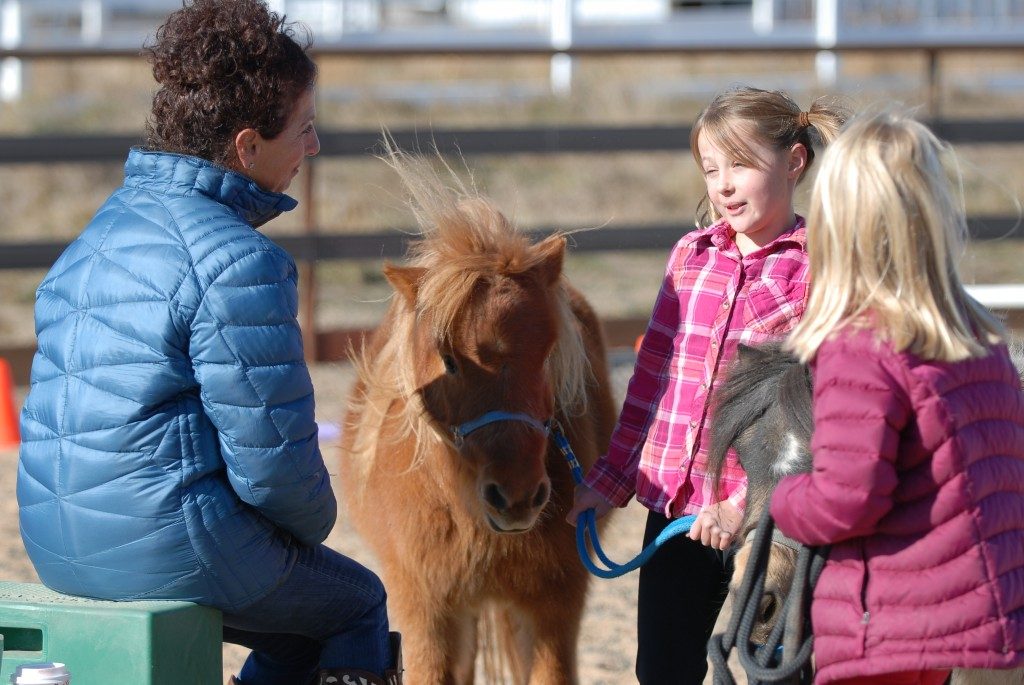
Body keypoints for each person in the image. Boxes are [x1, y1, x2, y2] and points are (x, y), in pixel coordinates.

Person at [16, 2, 400, 684]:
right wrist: (310, 527)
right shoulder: (239, 260)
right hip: (167, 546)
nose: (313, 148)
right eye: (305, 130)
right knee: (353, 601)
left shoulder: (98, 231)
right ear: (248, 146)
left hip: (53, 541)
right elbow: (274, 469)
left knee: (294, 624)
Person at [566, 86, 848, 684]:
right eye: (710, 168)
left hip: (769, 521)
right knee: (663, 668)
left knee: (772, 666)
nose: (722, 185)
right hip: (676, 505)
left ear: (794, 162)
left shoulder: (820, 268)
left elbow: (818, 411)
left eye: (740, 165)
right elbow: (652, 378)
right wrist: (613, 477)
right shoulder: (690, 257)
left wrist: (746, 504)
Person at [771, 110, 1024, 684]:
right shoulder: (979, 340)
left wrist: (784, 500)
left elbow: (847, 498)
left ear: (837, 224)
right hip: (970, 613)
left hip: (889, 620)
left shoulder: (861, 346)